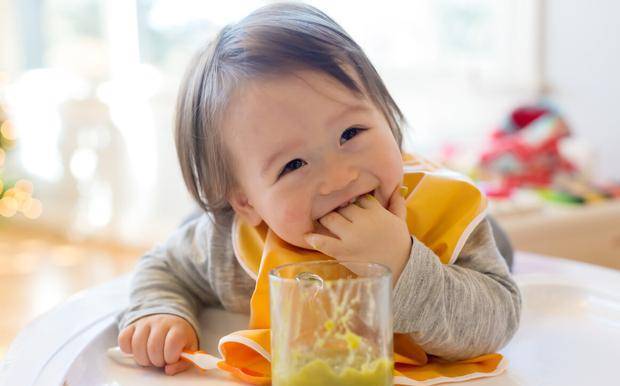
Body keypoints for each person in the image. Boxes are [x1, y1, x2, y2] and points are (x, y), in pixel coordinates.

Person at [117, 2, 521, 377]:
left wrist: (403, 266)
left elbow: (498, 319)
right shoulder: (231, 249)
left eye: (352, 132)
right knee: (193, 223)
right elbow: (164, 266)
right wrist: (161, 313)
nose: (339, 177)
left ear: (388, 118)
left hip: (449, 241)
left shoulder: (443, 221)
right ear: (246, 202)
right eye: (293, 165)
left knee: (501, 245)